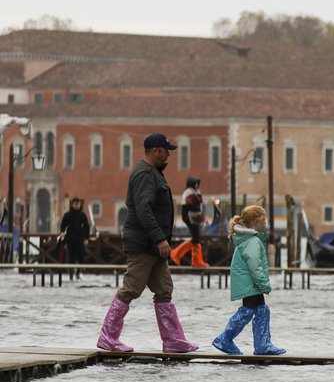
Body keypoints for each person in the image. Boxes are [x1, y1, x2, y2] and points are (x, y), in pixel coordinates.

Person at [96, 132, 197, 353]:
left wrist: (159, 240)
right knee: (131, 288)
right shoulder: (144, 174)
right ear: (155, 151)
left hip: (153, 245)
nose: (168, 155)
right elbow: (143, 209)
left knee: (164, 290)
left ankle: (173, 341)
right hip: (144, 243)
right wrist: (159, 237)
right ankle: (108, 337)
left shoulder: (153, 173)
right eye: (166, 151)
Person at [211, 205, 285, 356]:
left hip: (250, 282)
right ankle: (225, 338)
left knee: (261, 309)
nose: (266, 223)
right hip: (251, 282)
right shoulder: (252, 241)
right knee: (247, 310)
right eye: (264, 219)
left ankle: (262, 344)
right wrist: (264, 284)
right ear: (256, 221)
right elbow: (254, 266)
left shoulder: (248, 238)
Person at [169, 176, 209, 268]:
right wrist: (198, 207)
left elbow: (198, 203)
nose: (197, 185)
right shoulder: (189, 192)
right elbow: (190, 204)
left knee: (196, 238)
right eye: (195, 183)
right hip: (189, 217)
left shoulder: (195, 192)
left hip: (194, 217)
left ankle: (196, 261)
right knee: (195, 238)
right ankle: (176, 253)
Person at [59, 197, 90, 278]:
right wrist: (62, 232)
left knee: (81, 256)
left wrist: (86, 238)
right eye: (76, 204)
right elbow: (63, 225)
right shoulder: (67, 215)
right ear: (72, 204)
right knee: (71, 257)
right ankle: (71, 274)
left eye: (79, 204)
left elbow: (87, 227)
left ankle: (78, 273)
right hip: (70, 238)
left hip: (80, 238)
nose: (77, 205)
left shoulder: (82, 215)